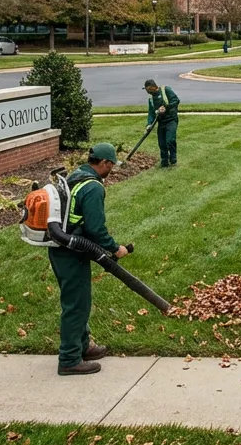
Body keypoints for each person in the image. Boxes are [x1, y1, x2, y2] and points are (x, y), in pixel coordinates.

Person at [51, 143, 129, 376]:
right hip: (70, 251)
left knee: (80, 301)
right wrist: (115, 249)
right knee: (76, 305)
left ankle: (83, 346)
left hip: (63, 247)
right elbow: (95, 228)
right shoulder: (93, 187)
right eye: (111, 165)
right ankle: (69, 359)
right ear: (104, 163)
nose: (111, 170)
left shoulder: (77, 176)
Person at [143, 79, 180, 168]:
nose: (148, 92)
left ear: (154, 87)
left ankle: (173, 158)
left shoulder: (166, 90)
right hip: (161, 121)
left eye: (149, 89)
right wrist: (149, 124)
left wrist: (166, 107)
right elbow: (151, 112)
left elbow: (176, 100)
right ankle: (164, 161)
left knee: (170, 140)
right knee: (162, 143)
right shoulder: (151, 99)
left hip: (171, 119)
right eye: (147, 90)